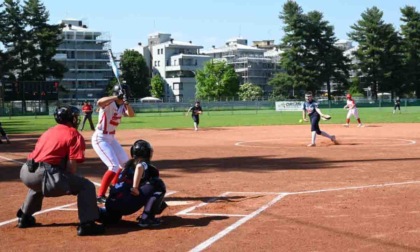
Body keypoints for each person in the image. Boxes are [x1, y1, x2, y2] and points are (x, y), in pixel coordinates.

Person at [17, 106, 105, 236]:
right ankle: (87, 225)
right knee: (86, 186)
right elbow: (71, 168)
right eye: (74, 116)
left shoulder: (48, 131)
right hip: (47, 176)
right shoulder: (73, 133)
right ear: (70, 118)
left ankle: (24, 217)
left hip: (26, 172)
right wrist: (74, 181)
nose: (76, 119)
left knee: (37, 185)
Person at [98, 139, 167, 227]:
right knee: (158, 184)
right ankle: (146, 218)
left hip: (111, 204)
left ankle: (98, 213)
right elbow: (139, 167)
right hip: (125, 205)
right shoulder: (143, 163)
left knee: (113, 219)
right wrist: (135, 187)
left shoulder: (127, 165)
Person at [92, 84, 135, 204]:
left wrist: (126, 103)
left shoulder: (122, 106)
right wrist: (116, 97)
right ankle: (100, 195)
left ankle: (115, 189)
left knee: (125, 165)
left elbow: (131, 114)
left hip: (111, 138)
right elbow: (99, 102)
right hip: (100, 138)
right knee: (113, 166)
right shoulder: (108, 104)